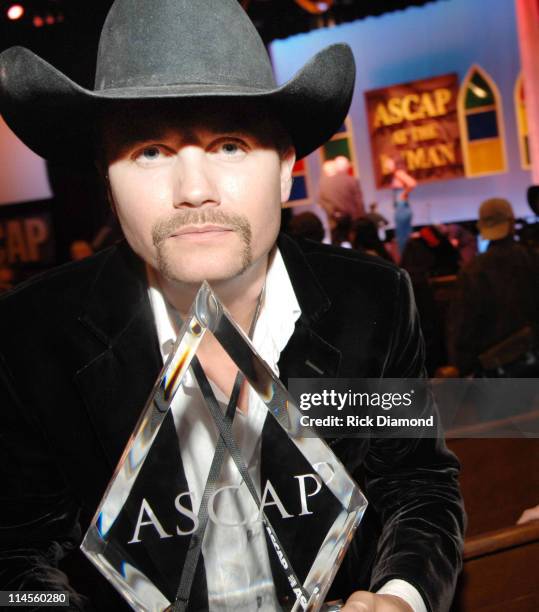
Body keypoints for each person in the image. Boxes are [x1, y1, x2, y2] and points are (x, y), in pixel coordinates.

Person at [0, 1, 464, 611]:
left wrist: (401, 598)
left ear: (285, 171)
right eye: (149, 152)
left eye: (228, 144)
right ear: (106, 184)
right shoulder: (34, 334)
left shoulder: (370, 305)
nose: (194, 190)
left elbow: (416, 484)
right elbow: (16, 558)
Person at [449, 198, 539, 376]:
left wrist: (462, 368)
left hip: (495, 374)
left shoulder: (471, 271)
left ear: (481, 227)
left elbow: (462, 329)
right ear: (512, 222)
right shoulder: (532, 259)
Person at [318, 155, 365, 245]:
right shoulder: (351, 180)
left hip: (334, 222)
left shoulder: (324, 183)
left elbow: (322, 202)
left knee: (337, 252)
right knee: (356, 248)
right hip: (353, 221)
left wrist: (334, 213)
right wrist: (361, 218)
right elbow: (359, 202)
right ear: (346, 167)